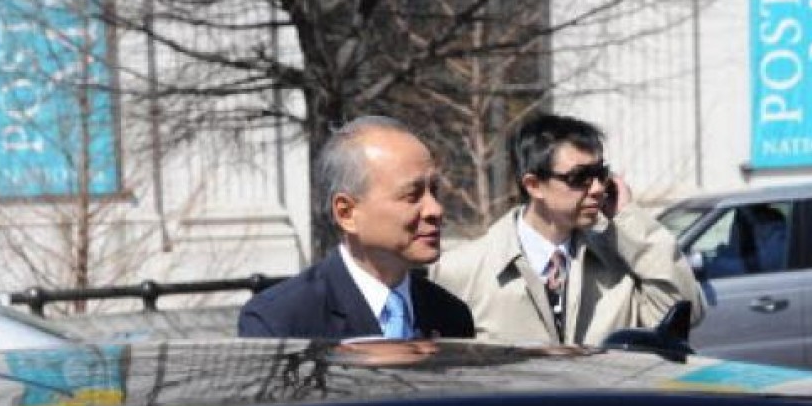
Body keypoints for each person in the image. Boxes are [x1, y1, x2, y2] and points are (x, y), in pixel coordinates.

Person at [429, 113, 704, 345]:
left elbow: (684, 314)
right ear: (534, 185)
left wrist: (630, 219)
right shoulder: (461, 271)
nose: (596, 188)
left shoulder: (621, 262)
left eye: (600, 174)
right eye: (580, 178)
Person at [239, 116, 475, 340]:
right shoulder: (280, 322)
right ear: (346, 212)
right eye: (412, 195)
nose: (435, 210)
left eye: (433, 191)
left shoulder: (452, 317)